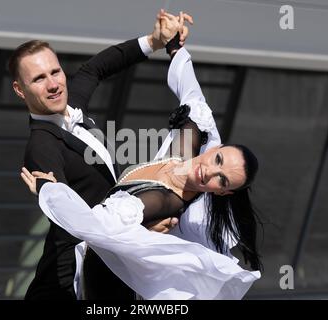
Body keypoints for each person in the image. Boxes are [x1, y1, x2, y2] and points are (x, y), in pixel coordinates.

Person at [21, 14, 262, 300]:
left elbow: (101, 225)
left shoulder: (163, 201)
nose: (209, 172)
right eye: (218, 161)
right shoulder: (190, 140)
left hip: (96, 276)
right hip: (64, 266)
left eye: (221, 180)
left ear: (224, 192)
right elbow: (190, 93)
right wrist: (167, 44)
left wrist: (51, 193)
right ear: (216, 150)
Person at [10, 10, 192, 300]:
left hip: (107, 263)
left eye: (55, 72)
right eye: (39, 79)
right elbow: (77, 218)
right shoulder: (41, 146)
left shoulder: (71, 108)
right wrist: (49, 192)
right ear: (20, 90)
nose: (54, 84)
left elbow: (94, 69)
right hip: (72, 278)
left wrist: (155, 40)